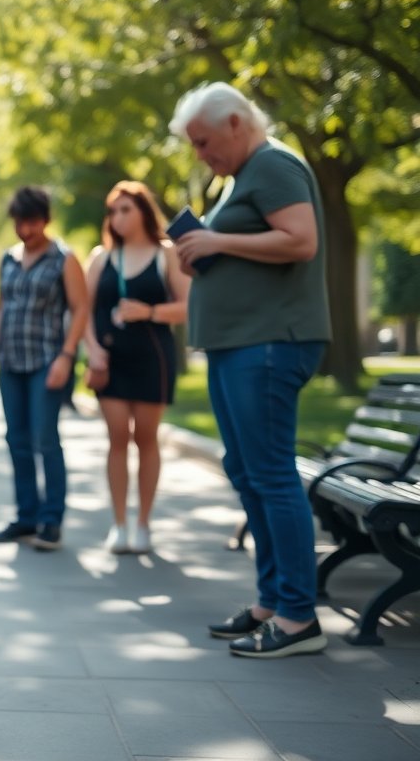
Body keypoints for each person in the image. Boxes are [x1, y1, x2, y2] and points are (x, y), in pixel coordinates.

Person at [170, 82, 331, 658]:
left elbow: (301, 240)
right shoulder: (247, 176)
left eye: (205, 141)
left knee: (270, 473)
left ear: (236, 123)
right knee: (247, 469)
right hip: (239, 345)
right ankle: (272, 600)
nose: (201, 155)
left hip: (267, 345)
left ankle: (297, 618)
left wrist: (216, 239)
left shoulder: (274, 165)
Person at [0, 186, 89, 551]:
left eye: (34, 222)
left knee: (44, 438)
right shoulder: (8, 259)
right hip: (10, 362)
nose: (26, 230)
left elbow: (80, 309)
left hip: (47, 361)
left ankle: (51, 520)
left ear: (46, 219)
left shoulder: (63, 258)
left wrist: (67, 356)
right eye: (20, 223)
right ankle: (26, 516)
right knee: (16, 439)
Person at [82, 182, 191, 555]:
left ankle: (143, 523)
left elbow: (188, 306)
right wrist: (92, 351)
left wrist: (149, 312)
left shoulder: (167, 254)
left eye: (126, 209)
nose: (118, 217)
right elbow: (83, 311)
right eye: (113, 211)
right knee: (117, 438)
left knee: (146, 439)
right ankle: (119, 524)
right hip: (110, 362)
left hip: (153, 359)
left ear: (144, 211)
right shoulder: (101, 257)